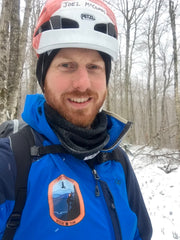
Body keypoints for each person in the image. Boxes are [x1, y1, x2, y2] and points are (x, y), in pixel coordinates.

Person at [0, 0, 152, 239]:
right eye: (66, 65)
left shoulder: (116, 159)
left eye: (94, 67)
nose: (82, 83)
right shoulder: (10, 163)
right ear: (43, 76)